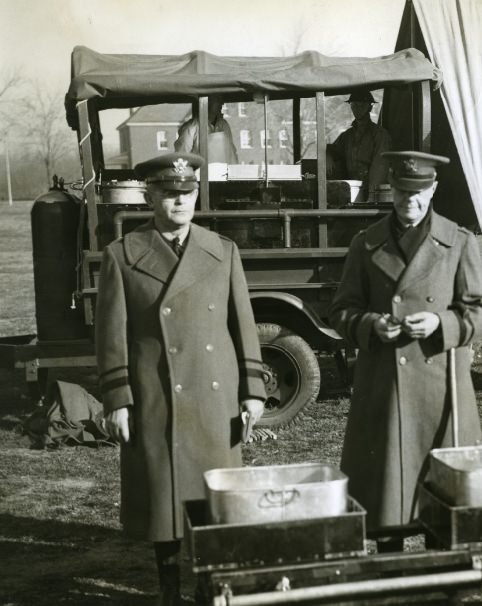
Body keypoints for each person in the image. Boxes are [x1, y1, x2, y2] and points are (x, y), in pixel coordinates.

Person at [96, 152, 266, 605]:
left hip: (215, 396)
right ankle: (170, 589)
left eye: (187, 193)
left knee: (214, 500)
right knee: (164, 500)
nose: (179, 202)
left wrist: (252, 391)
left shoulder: (222, 250)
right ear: (150, 196)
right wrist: (117, 398)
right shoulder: (122, 255)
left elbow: (243, 325)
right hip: (156, 395)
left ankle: (211, 586)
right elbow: (112, 336)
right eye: (169, 194)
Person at [329, 150, 482, 550]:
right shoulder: (365, 243)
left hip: (440, 389)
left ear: (433, 189)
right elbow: (341, 312)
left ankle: (439, 580)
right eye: (403, 192)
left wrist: (443, 324)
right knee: (389, 499)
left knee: (440, 497)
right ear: (391, 190)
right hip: (383, 389)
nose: (410, 202)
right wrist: (371, 325)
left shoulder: (458, 242)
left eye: (419, 193)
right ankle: (391, 573)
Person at [329, 90, 392, 195]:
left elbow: (380, 166)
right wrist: (328, 155)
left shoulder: (380, 135)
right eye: (354, 105)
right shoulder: (347, 136)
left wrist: (372, 195)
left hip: (373, 192)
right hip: (352, 190)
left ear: (370, 107)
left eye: (362, 105)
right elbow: (334, 150)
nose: (357, 109)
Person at [174, 95, 239, 164]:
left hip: (223, 172)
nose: (221, 103)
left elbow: (231, 152)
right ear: (206, 102)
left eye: (221, 100)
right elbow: (181, 157)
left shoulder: (224, 125)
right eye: (217, 99)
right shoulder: (191, 128)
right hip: (201, 173)